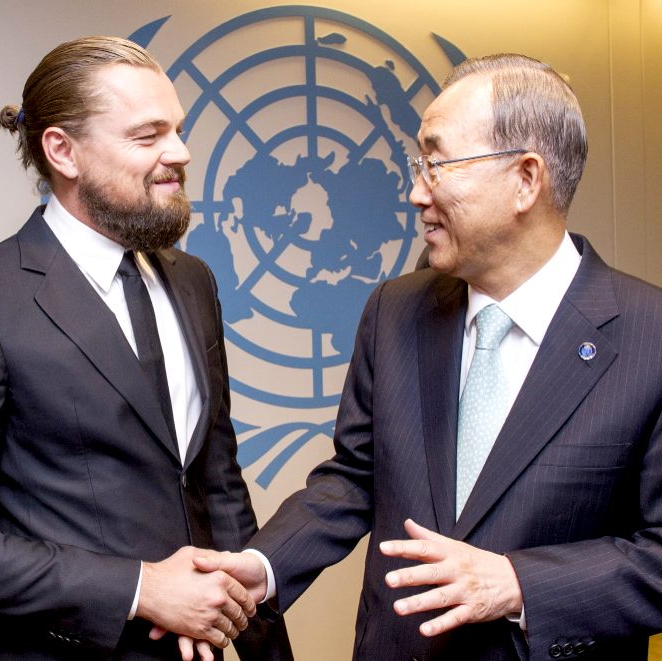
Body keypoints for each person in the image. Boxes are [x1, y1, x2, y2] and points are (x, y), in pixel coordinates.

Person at [192, 53, 662, 660]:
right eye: (419, 165)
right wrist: (263, 565)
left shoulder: (647, 337)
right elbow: (356, 476)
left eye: (437, 164)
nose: (416, 192)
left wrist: (518, 585)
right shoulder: (396, 310)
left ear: (525, 179)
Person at [0, 36, 291, 661]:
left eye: (179, 130)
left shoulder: (192, 281)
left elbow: (217, 486)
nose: (180, 153)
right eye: (148, 135)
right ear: (63, 151)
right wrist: (139, 588)